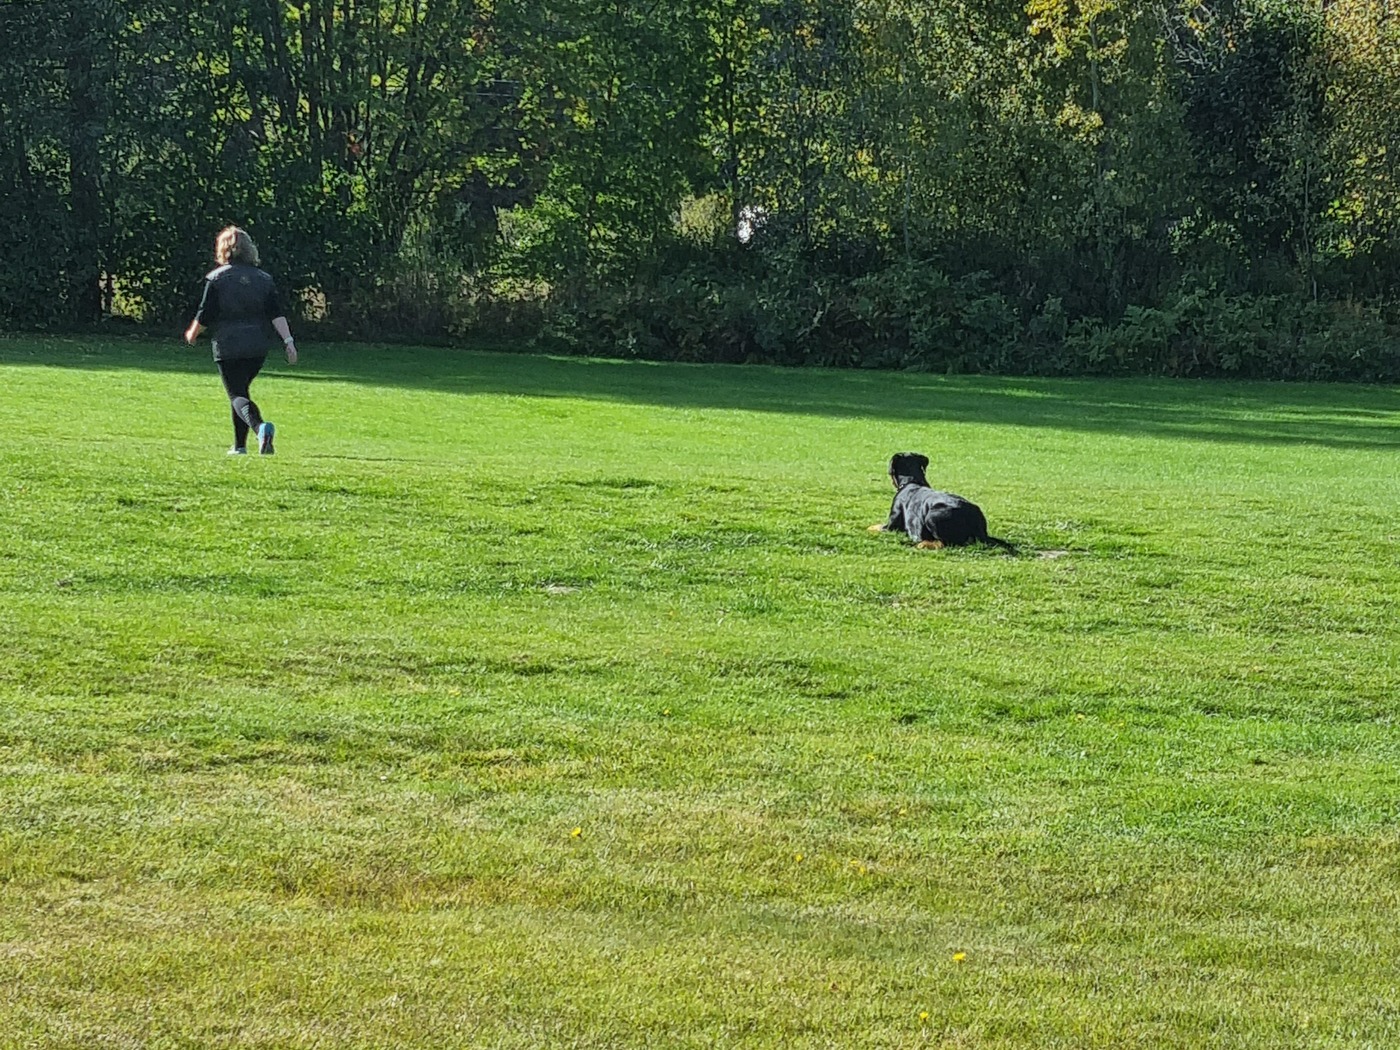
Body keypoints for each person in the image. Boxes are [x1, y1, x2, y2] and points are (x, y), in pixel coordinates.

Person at [184, 226, 298, 455]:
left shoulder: (216, 278)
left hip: (228, 345)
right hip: (257, 347)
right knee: (241, 392)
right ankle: (239, 446)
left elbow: (205, 313)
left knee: (236, 395)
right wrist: (288, 341)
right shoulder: (264, 279)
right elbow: (276, 313)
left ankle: (260, 428)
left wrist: (192, 334)